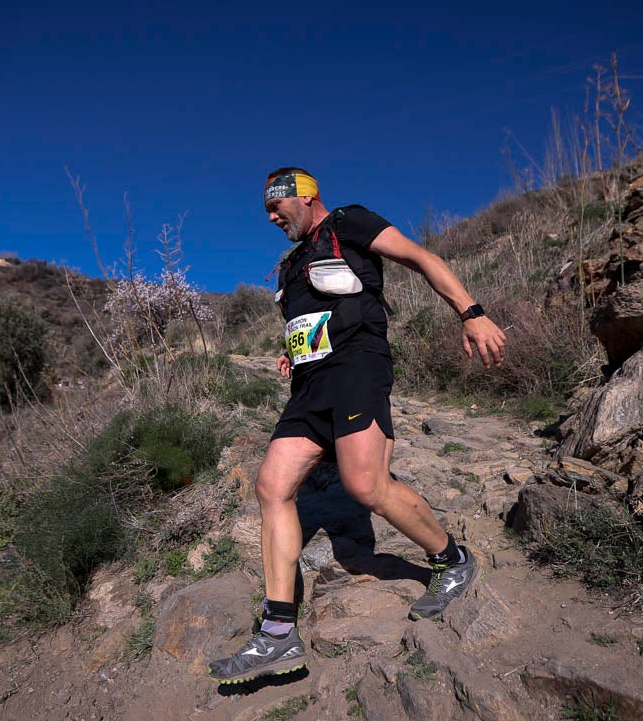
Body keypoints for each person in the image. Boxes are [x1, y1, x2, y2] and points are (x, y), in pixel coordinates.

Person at [208, 167, 507, 685]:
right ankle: (278, 632)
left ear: (306, 196)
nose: (271, 217)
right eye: (266, 212)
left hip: (356, 368)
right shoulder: (292, 263)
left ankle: (452, 559)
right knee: (271, 487)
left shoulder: (349, 223)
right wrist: (290, 353)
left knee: (365, 485)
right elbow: (309, 322)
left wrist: (471, 312)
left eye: (276, 207)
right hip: (310, 387)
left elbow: (421, 258)